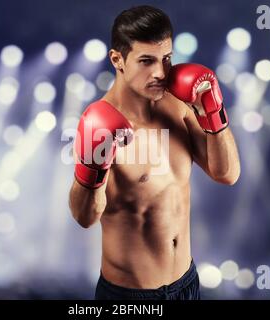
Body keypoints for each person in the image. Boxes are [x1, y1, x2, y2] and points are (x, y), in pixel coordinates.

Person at [69, 5, 240, 300]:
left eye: (167, 59)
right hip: (130, 296)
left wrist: (213, 115)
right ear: (117, 60)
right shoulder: (100, 124)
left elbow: (227, 174)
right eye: (146, 61)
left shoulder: (178, 107)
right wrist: (92, 169)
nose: (161, 72)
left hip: (186, 283)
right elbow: (86, 216)